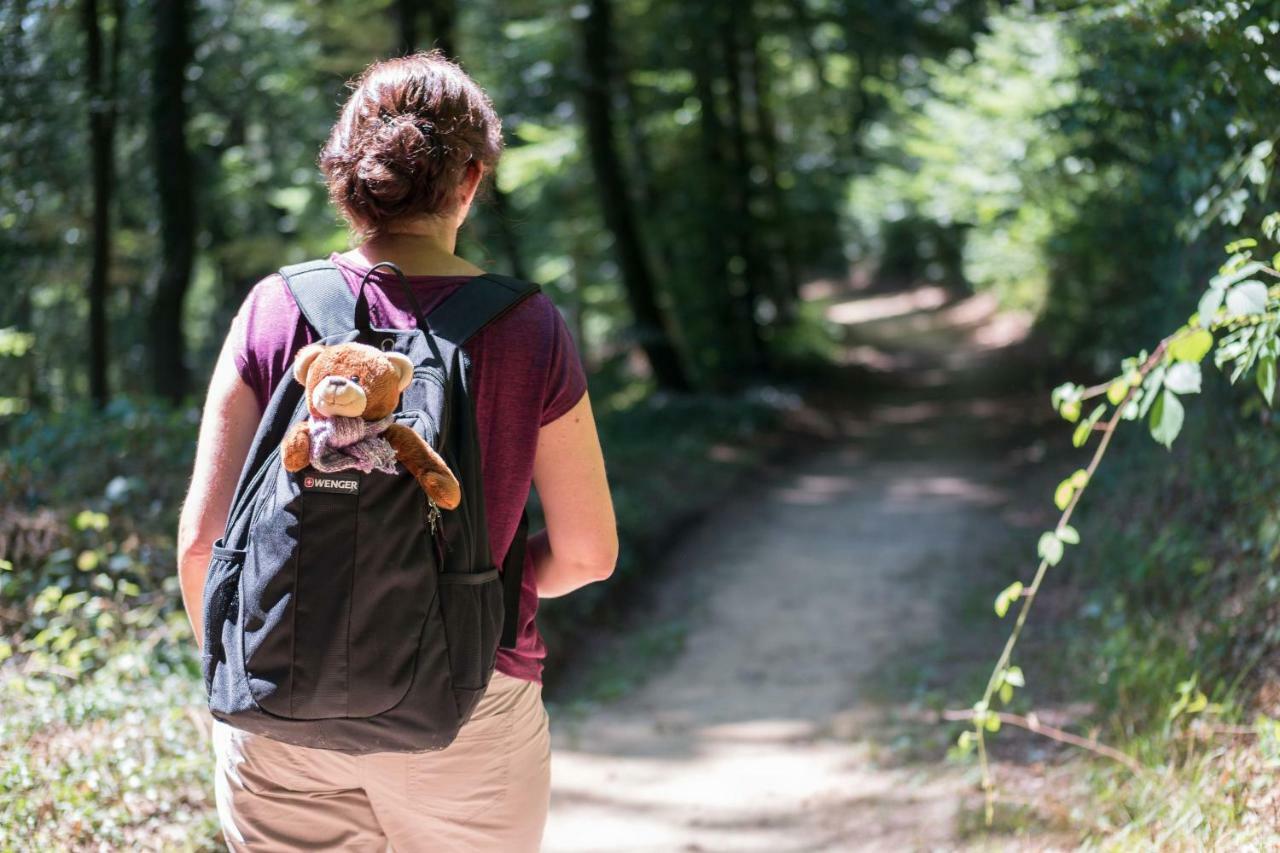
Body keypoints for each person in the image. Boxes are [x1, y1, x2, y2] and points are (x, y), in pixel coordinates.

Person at [176, 50, 618, 852]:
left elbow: (203, 546)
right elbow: (589, 552)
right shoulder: (526, 327)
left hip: (277, 705)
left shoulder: (274, 310)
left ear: (345, 177)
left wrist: (257, 669)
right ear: (472, 180)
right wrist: (488, 579)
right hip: (468, 703)